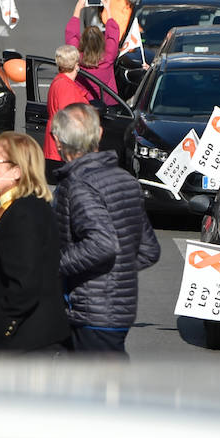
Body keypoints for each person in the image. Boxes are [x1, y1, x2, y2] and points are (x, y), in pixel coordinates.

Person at [51, 104, 159, 354]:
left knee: (97, 387)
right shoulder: (125, 179)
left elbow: (102, 244)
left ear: (58, 141)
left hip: (91, 310)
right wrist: (118, 273)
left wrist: (54, 264)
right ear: (99, 134)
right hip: (113, 311)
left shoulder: (78, 185)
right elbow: (148, 249)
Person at [0, 131, 70, 352]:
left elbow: (24, 285)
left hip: (27, 344)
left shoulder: (25, 213)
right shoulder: (15, 210)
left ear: (17, 170)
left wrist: (0, 327)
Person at [43, 44, 91, 179]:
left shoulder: (59, 81)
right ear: (76, 64)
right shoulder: (66, 86)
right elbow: (68, 121)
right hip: (64, 151)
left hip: (58, 147)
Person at [64, 9, 117, 94]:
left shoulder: (76, 57)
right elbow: (113, 35)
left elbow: (71, 35)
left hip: (83, 103)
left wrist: (79, 7)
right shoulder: (108, 56)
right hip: (107, 104)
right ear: (102, 41)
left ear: (82, 41)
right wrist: (108, 10)